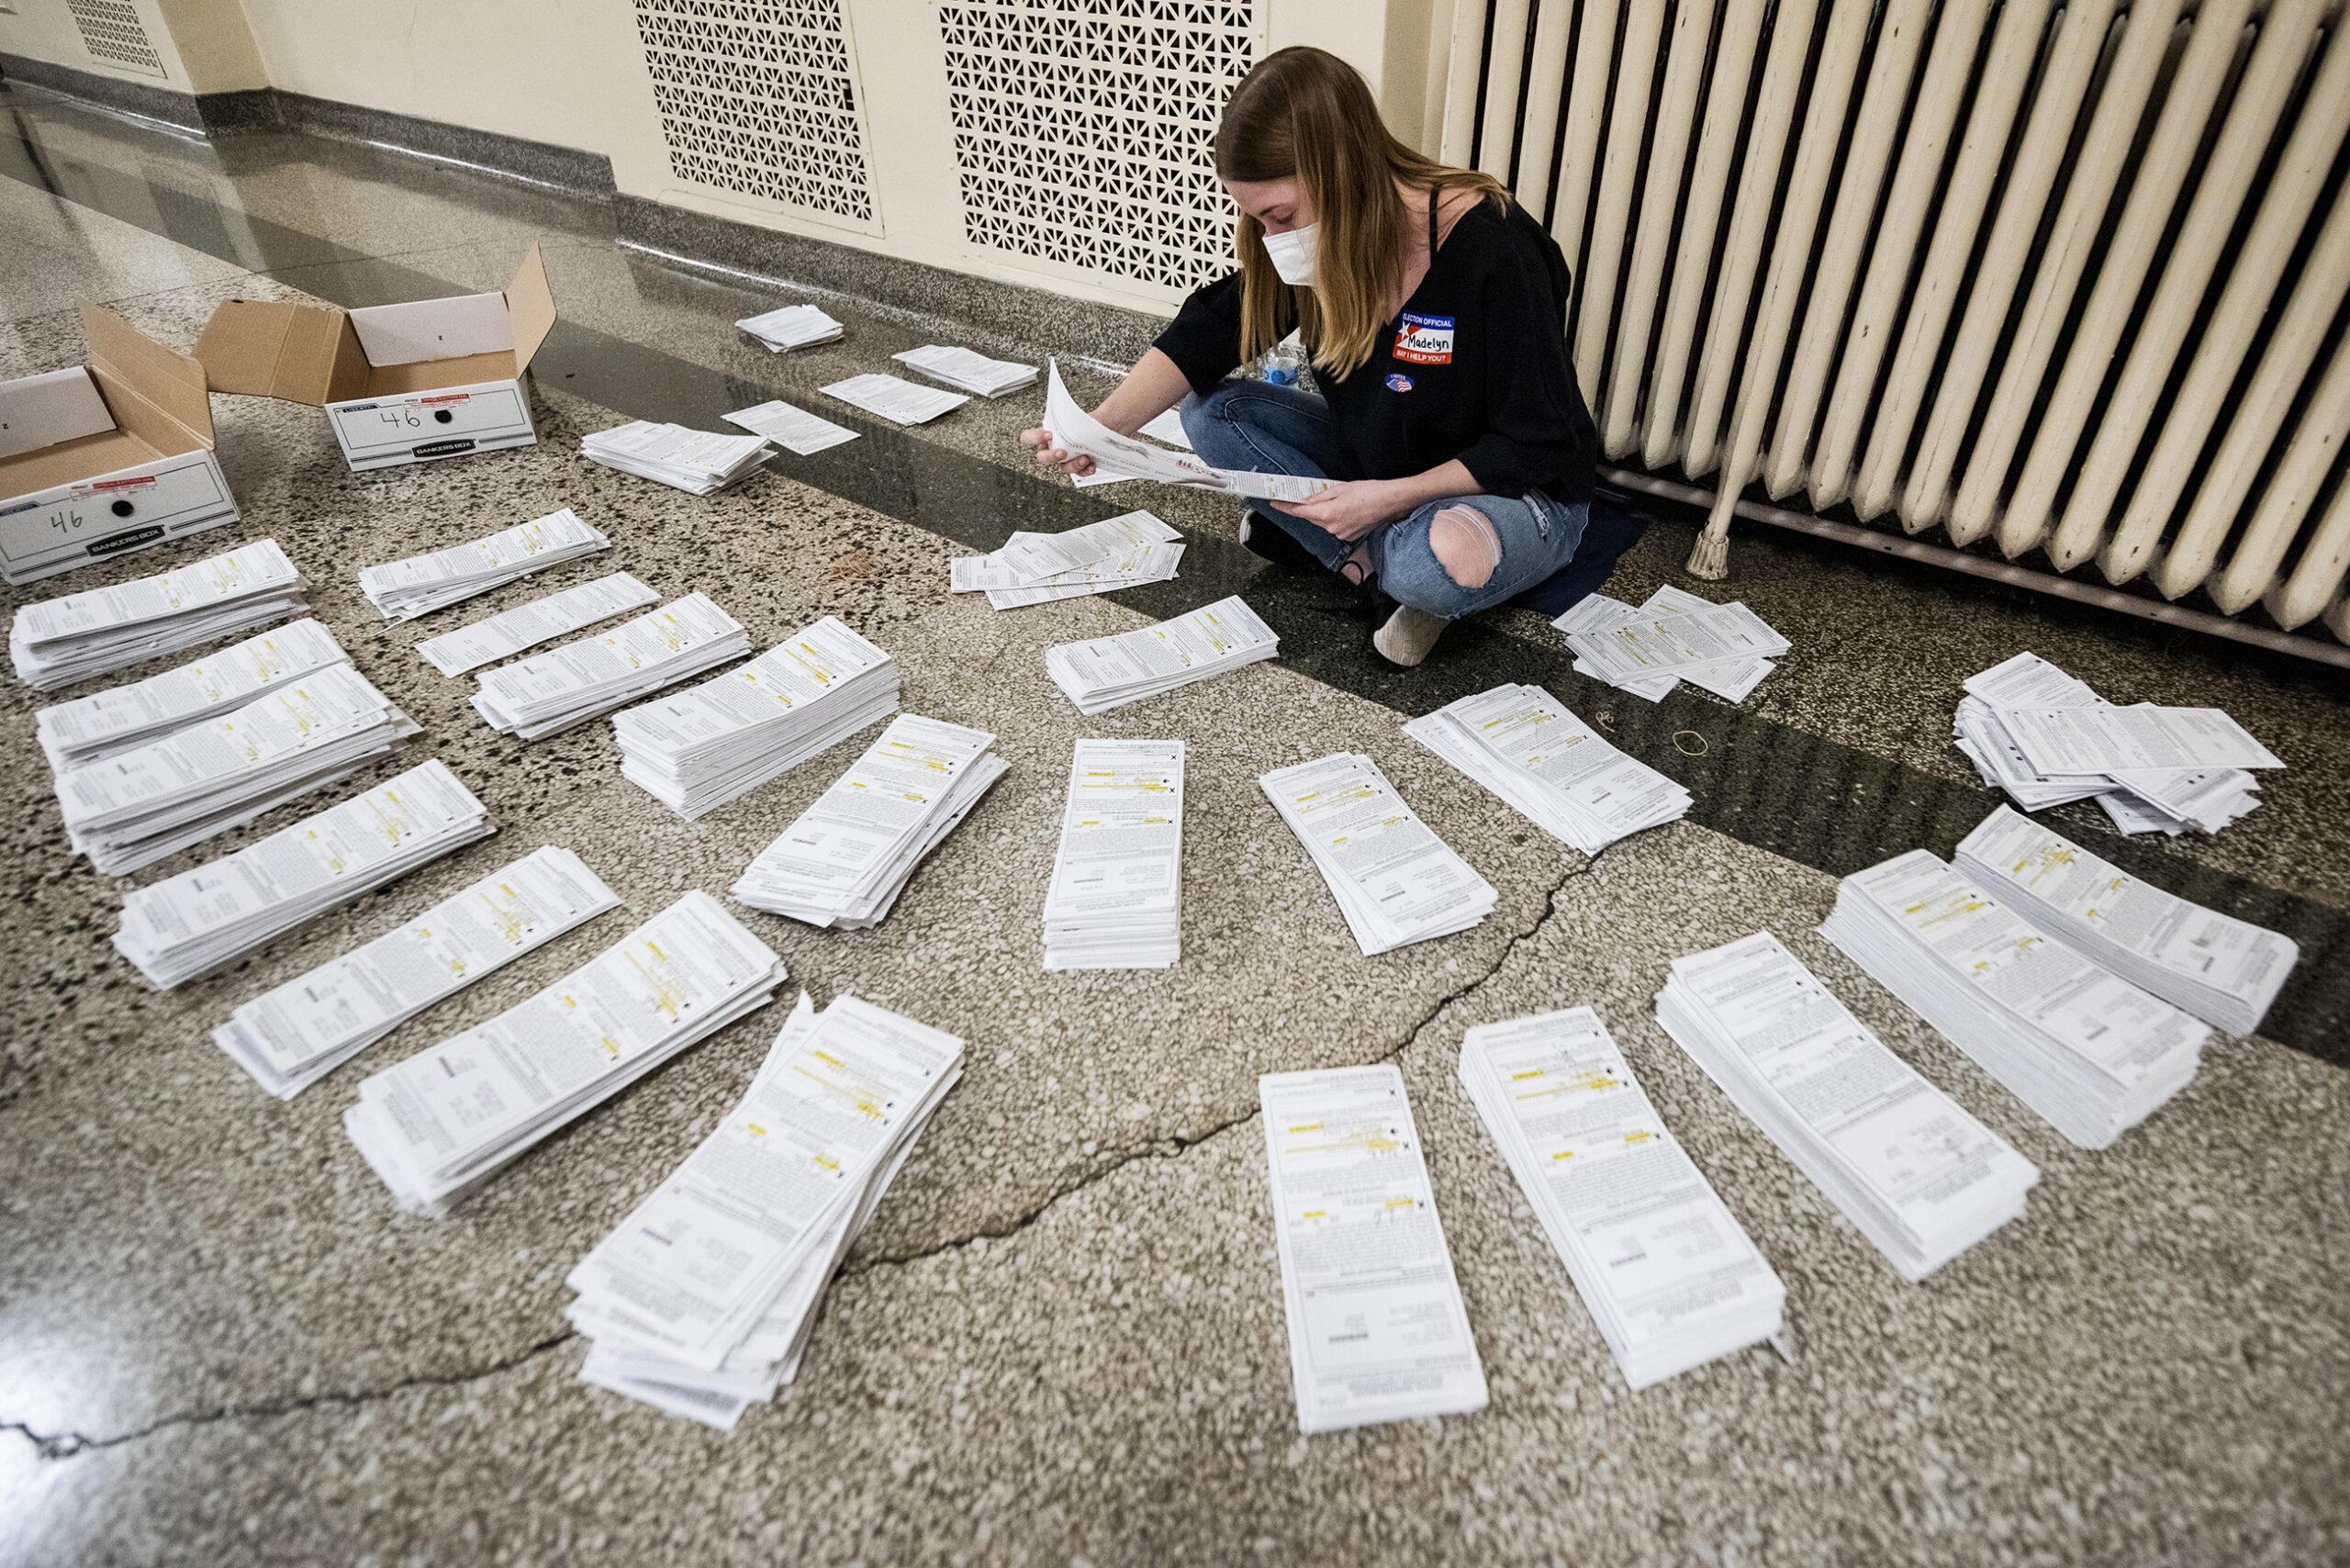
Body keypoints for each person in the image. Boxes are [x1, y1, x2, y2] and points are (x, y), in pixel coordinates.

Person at [1020, 45, 1598, 666]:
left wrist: (1385, 499)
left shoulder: (1495, 249)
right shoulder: (1324, 242)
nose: (1273, 239)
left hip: (1509, 486)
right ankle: (1364, 562)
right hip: (1381, 457)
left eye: (1280, 215)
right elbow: (1211, 330)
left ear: (1342, 172)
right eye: (1257, 220)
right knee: (1213, 412)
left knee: (1434, 564)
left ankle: (1370, 559)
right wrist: (1101, 431)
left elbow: (1538, 442)